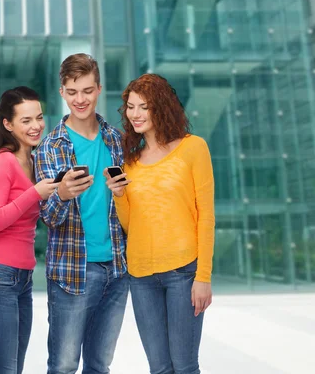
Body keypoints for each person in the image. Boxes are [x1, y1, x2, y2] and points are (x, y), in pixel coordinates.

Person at [110, 73, 215, 374]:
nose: (136, 114)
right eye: (131, 107)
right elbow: (132, 225)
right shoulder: (130, 161)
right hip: (141, 275)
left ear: (162, 107)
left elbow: (206, 215)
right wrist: (119, 194)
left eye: (144, 106)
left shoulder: (193, 148)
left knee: (184, 365)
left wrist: (203, 276)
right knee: (159, 368)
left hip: (183, 272)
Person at [35, 53, 129, 374]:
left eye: (87, 91)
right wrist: (61, 194)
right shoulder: (50, 146)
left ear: (99, 89)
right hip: (72, 272)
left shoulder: (117, 141)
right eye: (72, 92)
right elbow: (50, 217)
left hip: (117, 269)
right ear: (62, 91)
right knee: (63, 366)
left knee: (100, 365)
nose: (80, 99)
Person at [0, 87, 60, 374]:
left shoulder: (36, 162)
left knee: (14, 369)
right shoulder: (3, 161)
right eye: (26, 120)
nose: (36, 126)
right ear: (8, 124)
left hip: (22, 279)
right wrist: (34, 192)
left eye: (38, 117)